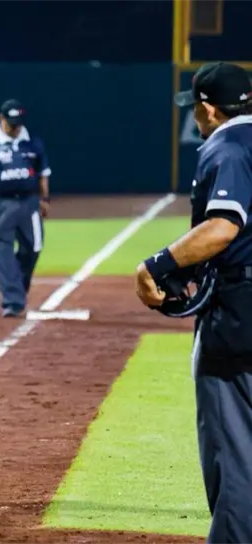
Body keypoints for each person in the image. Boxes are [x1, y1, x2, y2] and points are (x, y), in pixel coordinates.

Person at [135, 61, 252, 544]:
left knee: (235, 450)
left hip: (239, 317)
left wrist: (158, 266)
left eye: (196, 108)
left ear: (207, 107)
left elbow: (224, 227)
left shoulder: (227, 147)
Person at [0, 99, 51, 317]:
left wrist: (45, 199)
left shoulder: (32, 140)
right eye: (11, 123)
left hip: (28, 202)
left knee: (33, 247)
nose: (16, 128)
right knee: (1, 250)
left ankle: (18, 288)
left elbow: (43, 173)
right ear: (1, 119)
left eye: (18, 123)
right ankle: (12, 302)